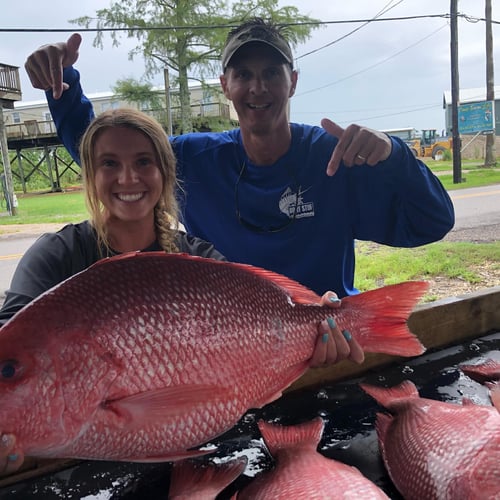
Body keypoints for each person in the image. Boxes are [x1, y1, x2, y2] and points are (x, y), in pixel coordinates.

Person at [0, 107, 363, 474]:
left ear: (165, 173)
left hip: (203, 462)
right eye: (109, 163)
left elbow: (271, 310)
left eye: (144, 161)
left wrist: (319, 323)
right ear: (90, 176)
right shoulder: (56, 255)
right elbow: (9, 334)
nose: (128, 177)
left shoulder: (198, 257)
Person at [25, 18, 454, 302]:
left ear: (293, 82)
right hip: (233, 347)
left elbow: (431, 222)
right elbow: (109, 152)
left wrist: (395, 155)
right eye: (243, 74)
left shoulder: (334, 155)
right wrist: (62, 90)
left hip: (330, 336)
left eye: (271, 72)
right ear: (225, 85)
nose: (257, 87)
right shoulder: (195, 158)